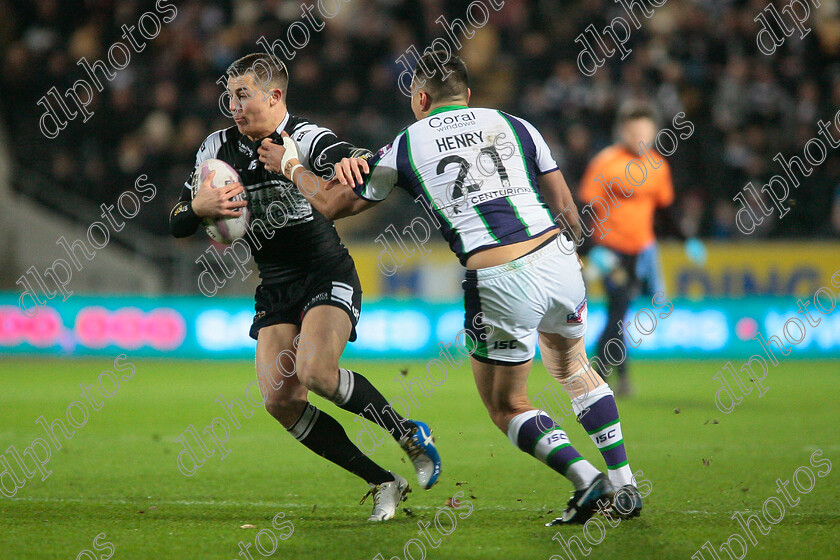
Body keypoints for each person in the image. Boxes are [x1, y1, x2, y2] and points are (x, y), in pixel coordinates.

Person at [262, 51, 642, 524]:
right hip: (558, 258)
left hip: (500, 275)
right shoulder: (515, 124)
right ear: (467, 96)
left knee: (507, 406)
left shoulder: (407, 143)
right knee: (573, 367)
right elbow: (565, 206)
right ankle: (626, 484)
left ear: (420, 99)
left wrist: (291, 165)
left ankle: (587, 480)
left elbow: (333, 205)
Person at [168, 53, 441, 522]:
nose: (232, 105)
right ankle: (382, 482)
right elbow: (177, 221)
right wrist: (198, 207)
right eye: (229, 95)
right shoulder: (216, 147)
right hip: (275, 285)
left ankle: (409, 434)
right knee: (281, 400)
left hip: (325, 272)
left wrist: (351, 161)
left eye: (242, 95)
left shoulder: (303, 136)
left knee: (316, 372)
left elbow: (339, 154)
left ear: (274, 96)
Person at [578, 103, 705, 395]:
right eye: (634, 130)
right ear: (622, 131)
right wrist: (591, 248)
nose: (640, 136)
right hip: (609, 250)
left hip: (639, 251)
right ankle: (600, 376)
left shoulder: (658, 166)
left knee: (619, 313)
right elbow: (585, 209)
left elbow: (666, 212)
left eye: (645, 130)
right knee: (618, 309)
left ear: (654, 132)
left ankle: (618, 379)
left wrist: (687, 240)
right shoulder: (605, 162)